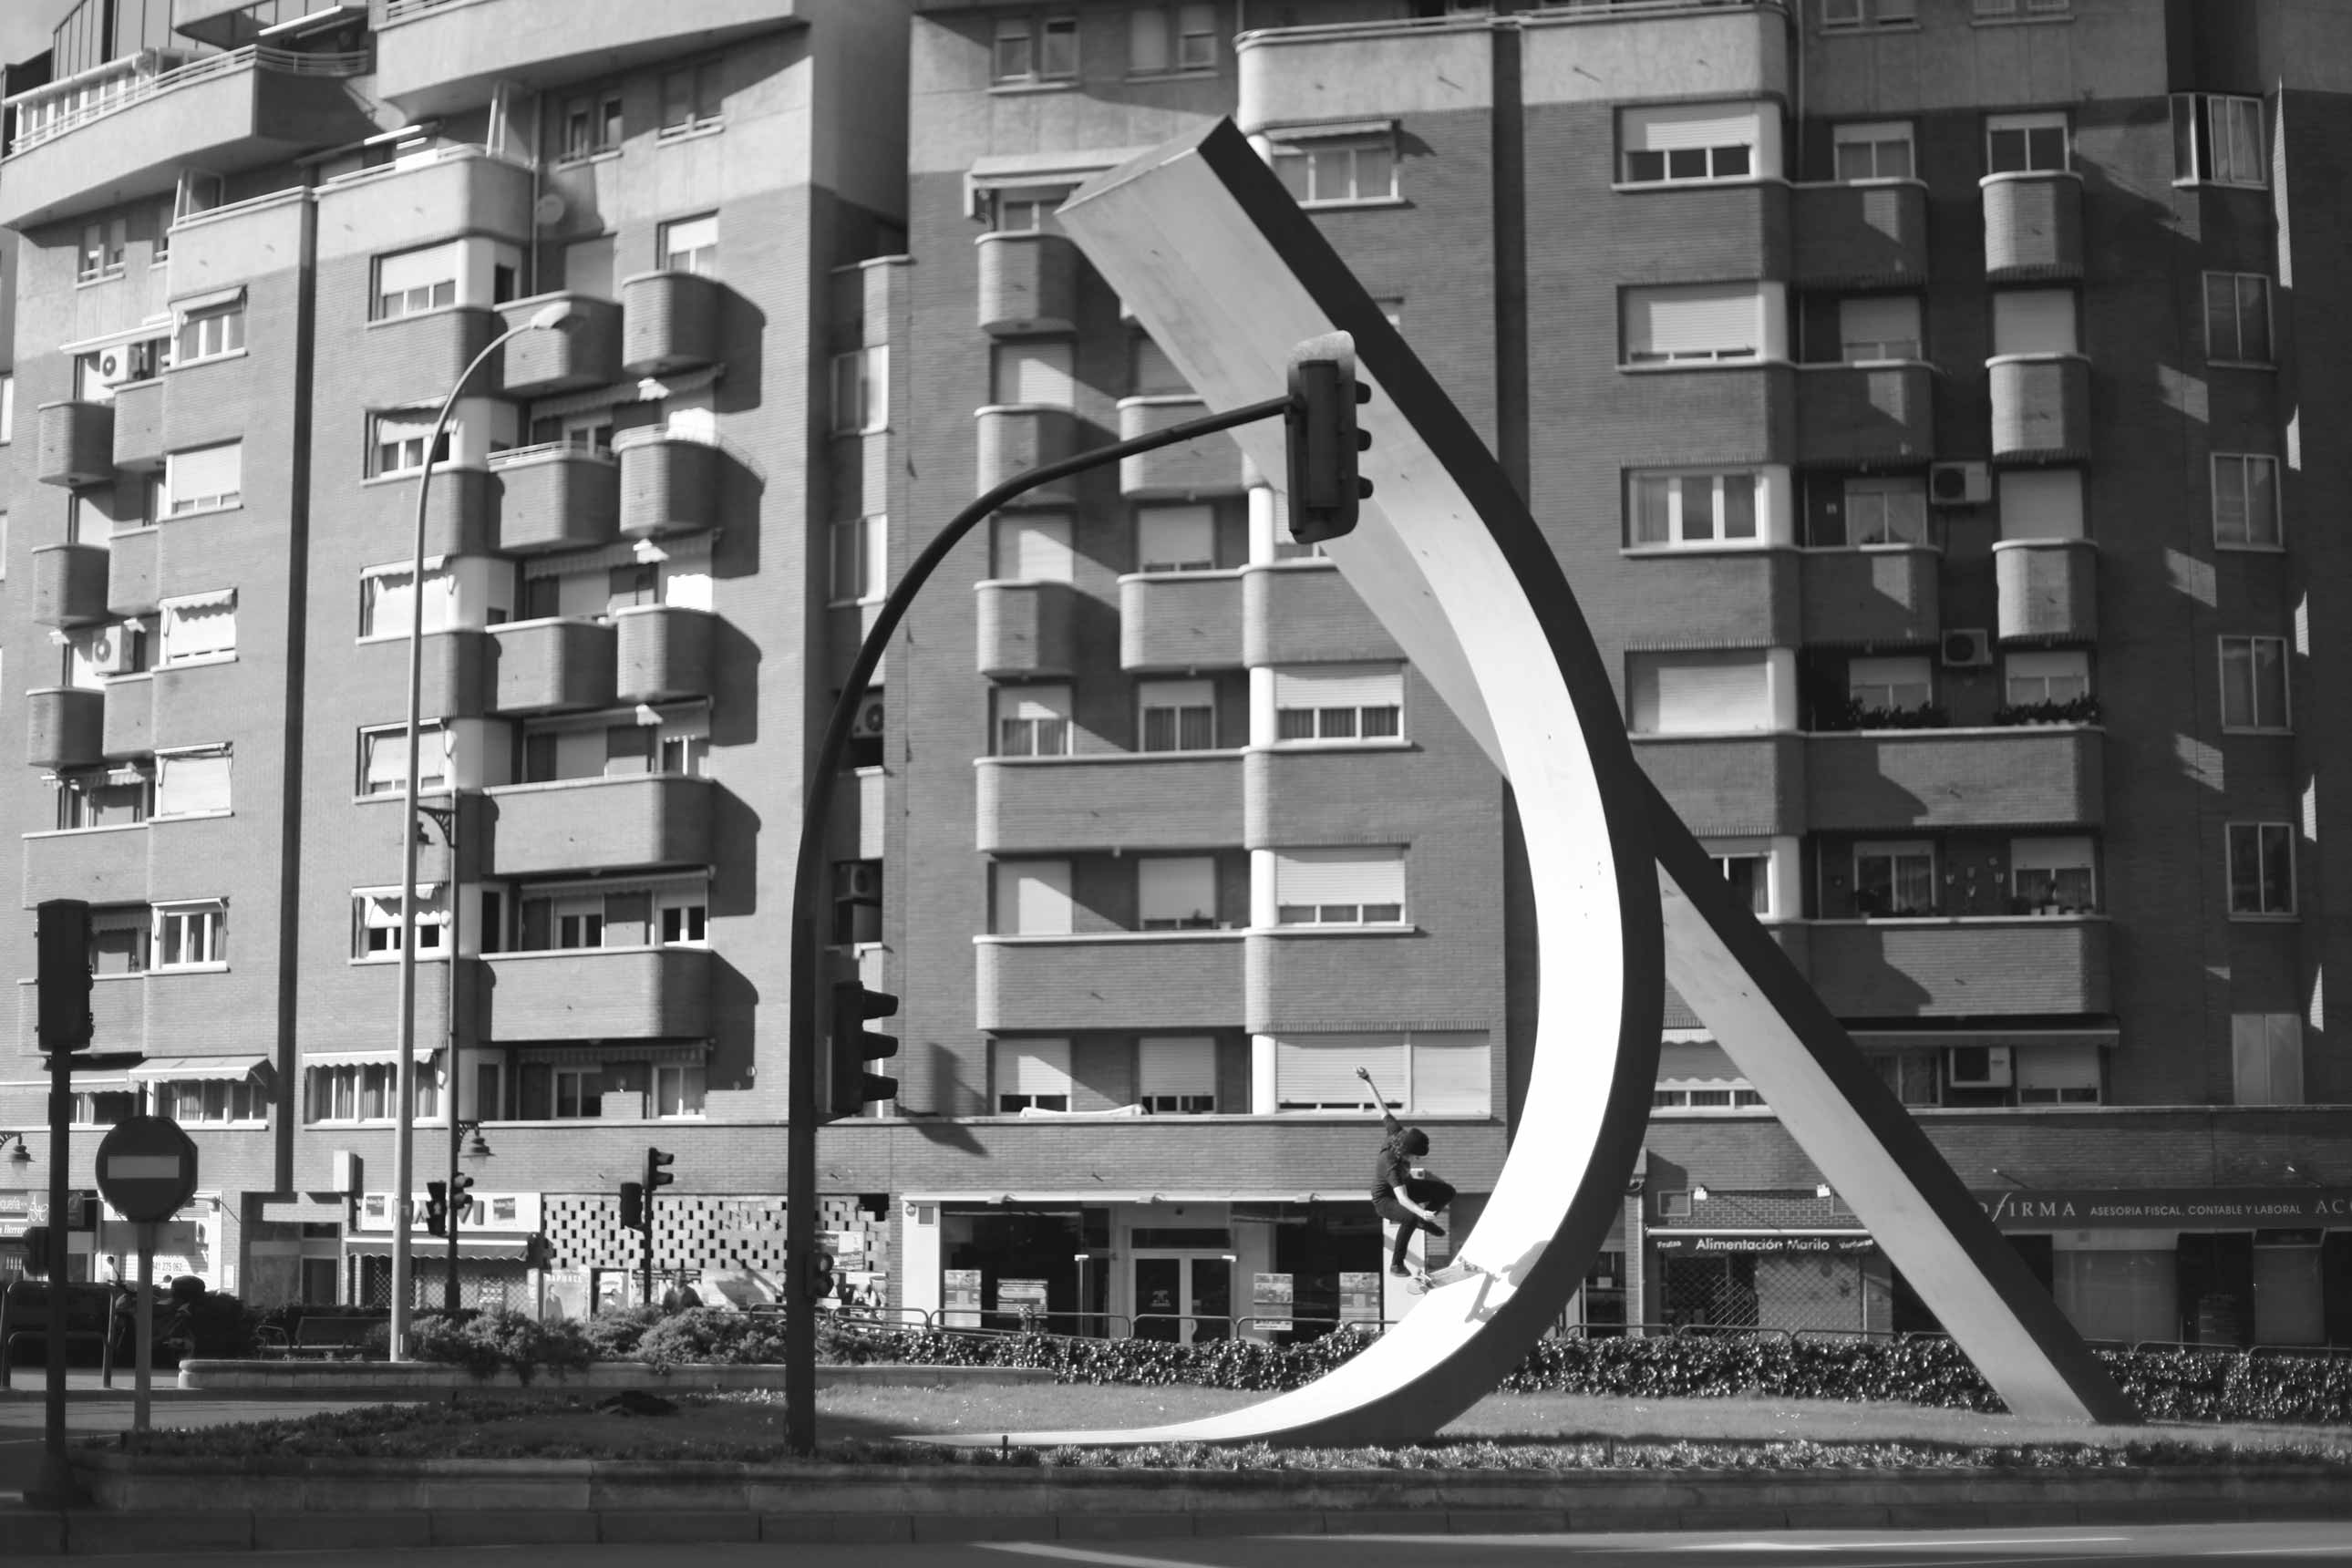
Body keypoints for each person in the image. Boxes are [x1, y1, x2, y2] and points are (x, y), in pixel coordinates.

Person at [1357, 1066, 1455, 1277]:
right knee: (1410, 1216)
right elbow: (1402, 1199)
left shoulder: (1397, 1132)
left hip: (1406, 1187)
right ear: (1406, 1152)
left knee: (1447, 1192)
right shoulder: (1389, 1162)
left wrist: (1367, 1079)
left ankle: (1424, 1221)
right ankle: (1396, 1264)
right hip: (1385, 1199)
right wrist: (1420, 1212)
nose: (1416, 1160)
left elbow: (1381, 1108)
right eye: (1415, 1156)